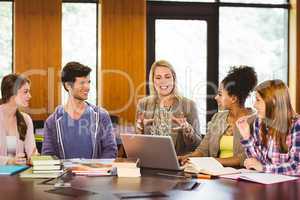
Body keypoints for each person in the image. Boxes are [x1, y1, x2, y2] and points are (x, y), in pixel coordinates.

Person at [179, 66, 257, 167]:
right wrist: (187, 158)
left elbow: (244, 158)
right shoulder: (217, 117)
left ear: (233, 98)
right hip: (214, 174)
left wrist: (210, 161)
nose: (216, 97)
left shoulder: (255, 120)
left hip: (240, 177)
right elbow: (203, 150)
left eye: (220, 94)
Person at [42, 62, 117, 159]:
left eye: (88, 82)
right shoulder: (52, 121)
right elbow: (48, 155)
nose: (87, 87)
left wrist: (96, 170)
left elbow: (110, 150)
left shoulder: (101, 116)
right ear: (68, 85)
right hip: (65, 174)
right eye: (82, 83)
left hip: (95, 173)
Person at [135, 60, 201, 155]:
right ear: (153, 81)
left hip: (178, 163)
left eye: (167, 77)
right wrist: (139, 131)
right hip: (149, 161)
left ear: (174, 79)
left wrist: (187, 130)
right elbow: (138, 144)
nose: (163, 81)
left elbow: (198, 146)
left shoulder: (189, 105)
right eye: (158, 77)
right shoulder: (143, 104)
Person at [236, 79, 300, 175]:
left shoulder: (296, 125)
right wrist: (247, 136)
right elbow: (257, 161)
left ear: (273, 101)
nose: (254, 105)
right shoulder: (259, 122)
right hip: (267, 182)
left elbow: (297, 166)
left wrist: (263, 168)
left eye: (258, 100)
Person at [0, 74, 37, 165]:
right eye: (25, 92)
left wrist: (35, 158)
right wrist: (9, 161)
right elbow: (11, 160)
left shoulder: (26, 119)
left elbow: (32, 153)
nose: (30, 96)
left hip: (17, 176)